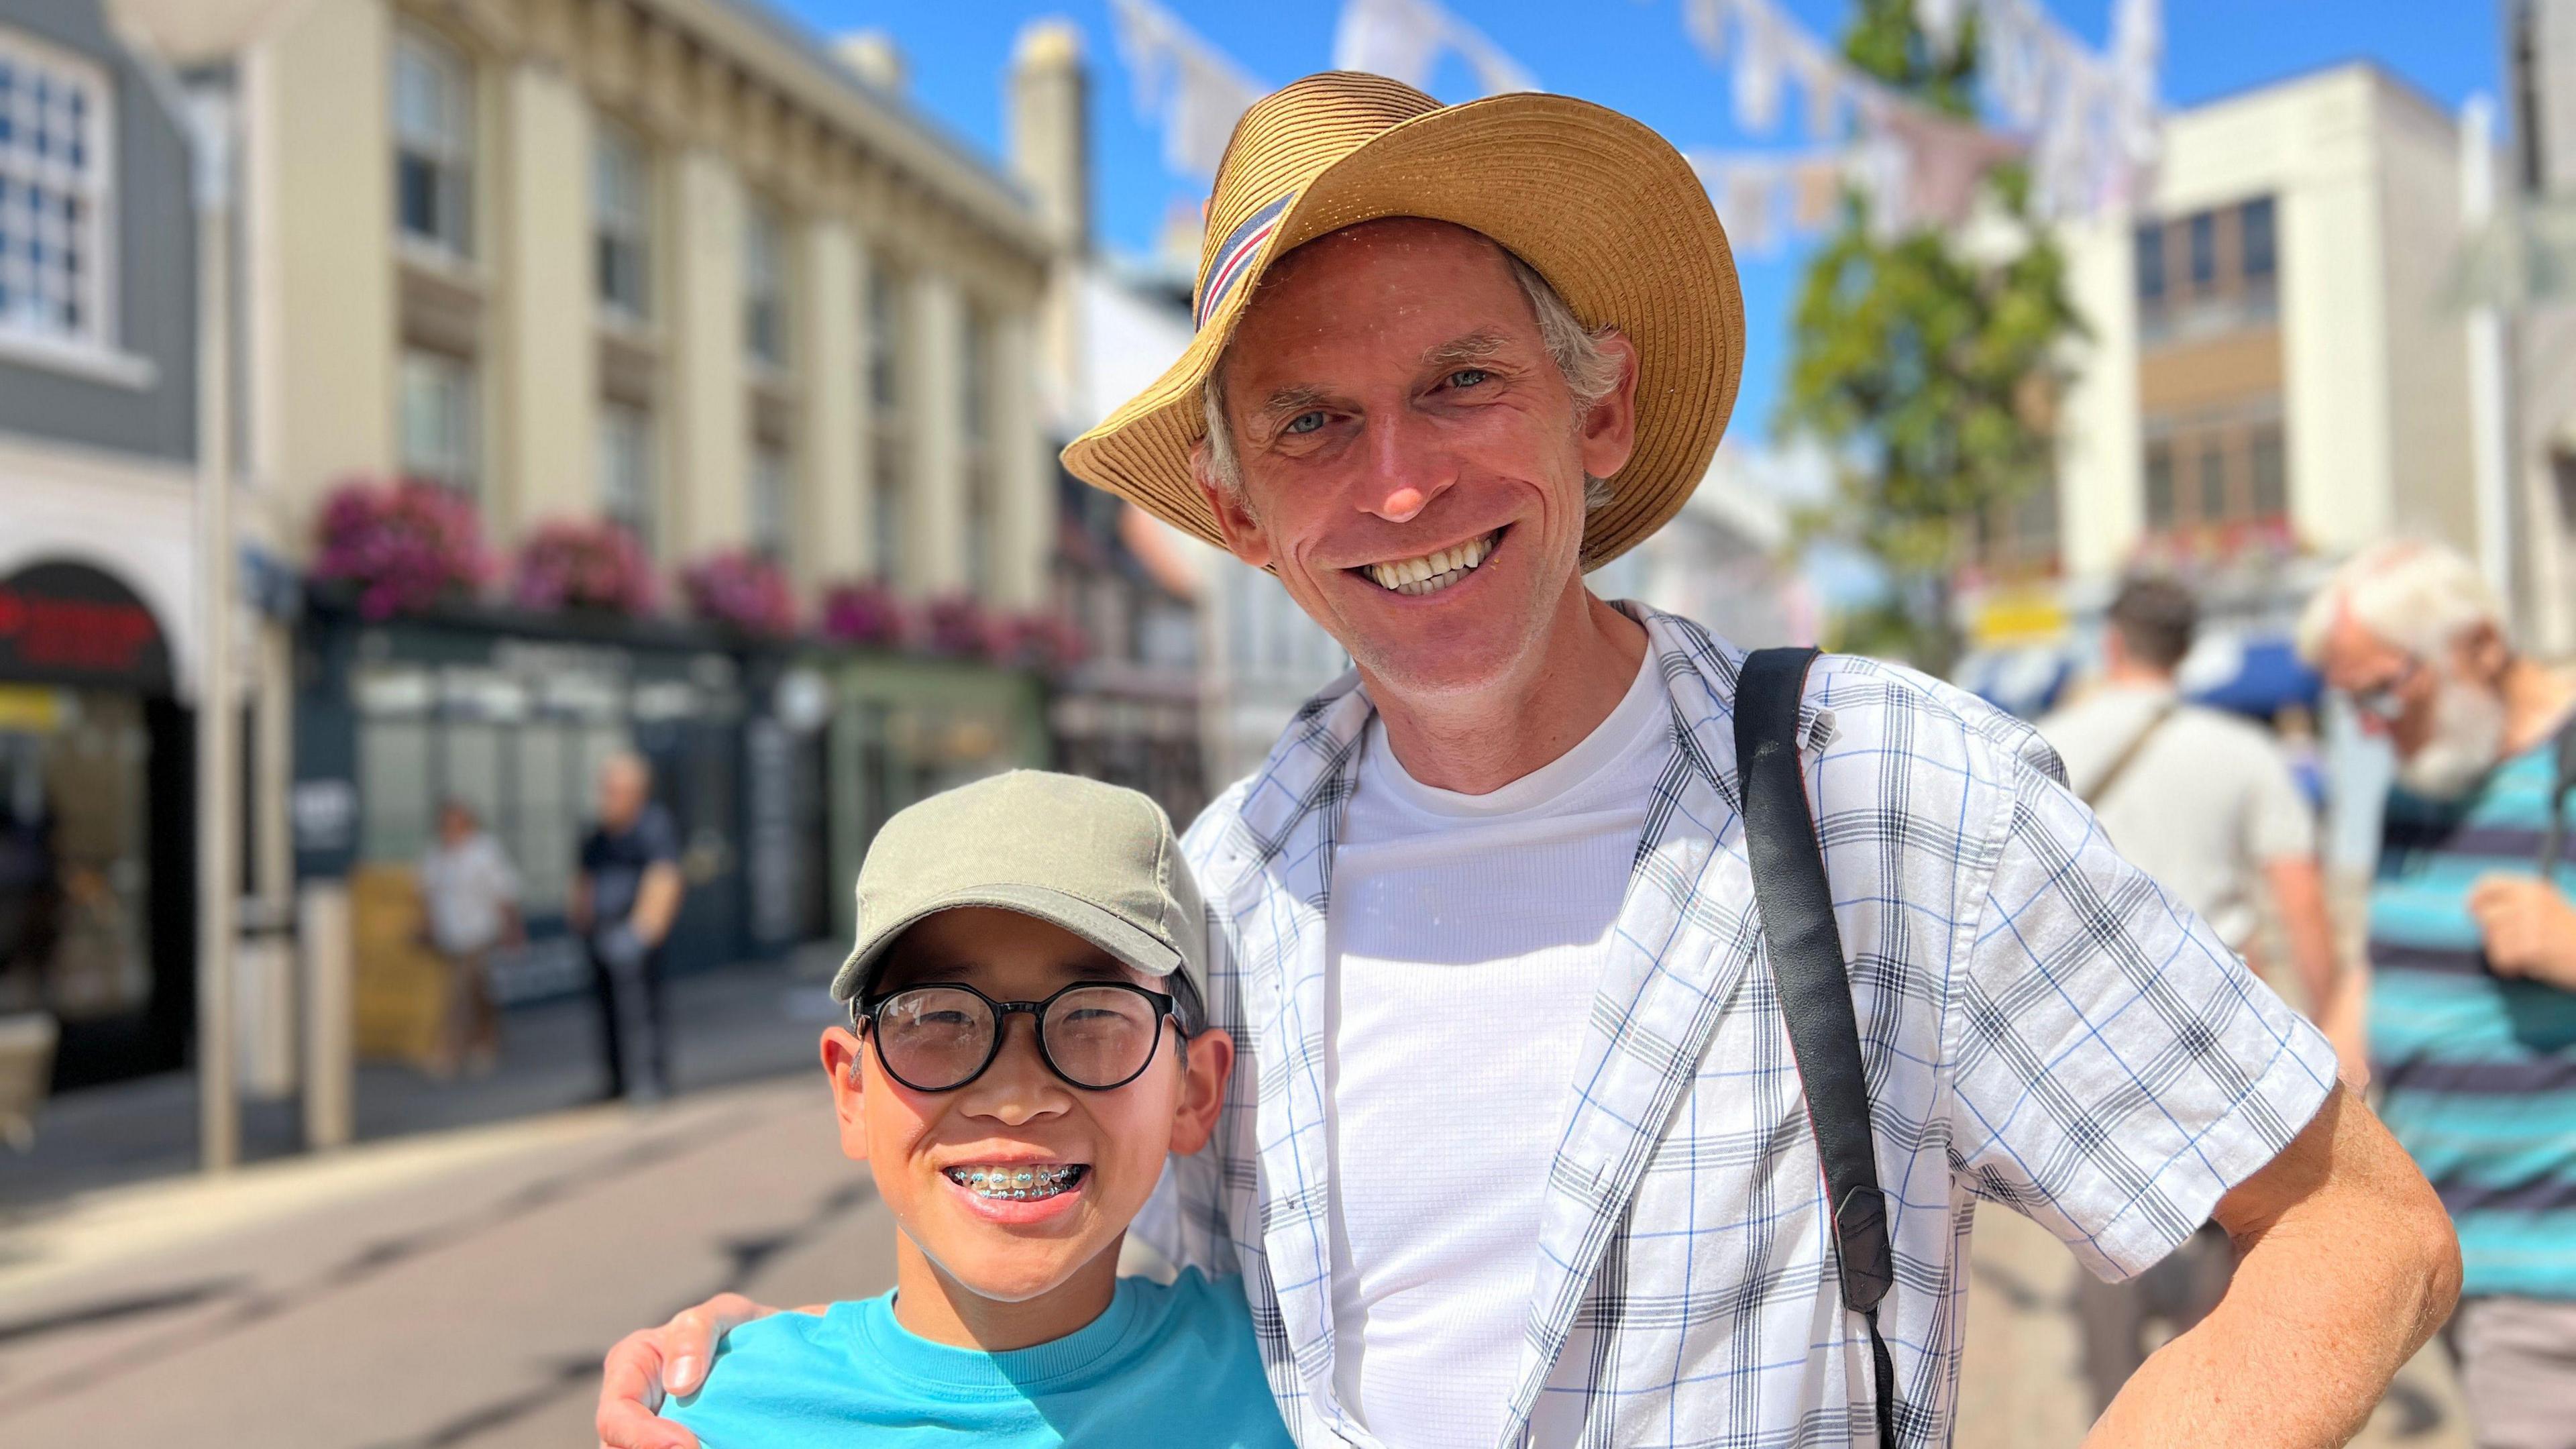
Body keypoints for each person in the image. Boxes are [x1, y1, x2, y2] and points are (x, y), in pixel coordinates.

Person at [601, 72, 2457, 1448]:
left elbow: (2361, 1232)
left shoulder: (1882, 792)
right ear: (1243, 519)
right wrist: (797, 1384)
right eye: (1315, 424)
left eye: (1465, 384)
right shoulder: (1218, 900)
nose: (1402, 485)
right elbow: (1087, 1304)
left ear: (1602, 407)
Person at [660, 771, 1284, 1448]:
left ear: (1192, 1092)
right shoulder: (717, 1421)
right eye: (936, 1019)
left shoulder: (1303, 1381)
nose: (1016, 1099)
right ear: (853, 1091)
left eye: (1094, 1020)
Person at [2037, 574, 2361, 1411]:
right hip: (2216, 1027)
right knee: (2236, 1219)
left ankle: (2116, 1409)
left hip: (2090, 1028)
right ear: (2188, 651)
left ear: (2111, 644)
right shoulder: (2243, 751)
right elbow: (2300, 903)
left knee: (2104, 1221)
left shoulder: (2044, 744)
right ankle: (2216, 1398)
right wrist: (2329, 1024)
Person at [2299, 540, 2576, 1449]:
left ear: (2483, 644)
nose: (2374, 727)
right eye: (2352, 705)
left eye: (2387, 691)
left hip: (2554, 1276)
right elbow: (2379, 968)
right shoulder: (2426, 780)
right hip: (2457, 1259)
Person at [573, 753, 683, 1103]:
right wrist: (581, 922)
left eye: (615, 789)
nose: (608, 796)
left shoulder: (653, 826)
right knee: (607, 1014)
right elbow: (584, 880)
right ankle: (616, 1082)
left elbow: (665, 877)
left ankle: (651, 1082)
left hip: (634, 935)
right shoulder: (599, 834)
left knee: (642, 1013)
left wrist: (644, 931)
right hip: (601, 935)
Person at [416, 798, 521, 1077]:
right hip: (449, 935)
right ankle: (478, 1041)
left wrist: (512, 930)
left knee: (464, 992)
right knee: (470, 994)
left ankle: (453, 1050)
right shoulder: (436, 855)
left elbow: (504, 893)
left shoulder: (484, 852)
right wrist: (426, 926)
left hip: (479, 933)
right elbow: (428, 892)